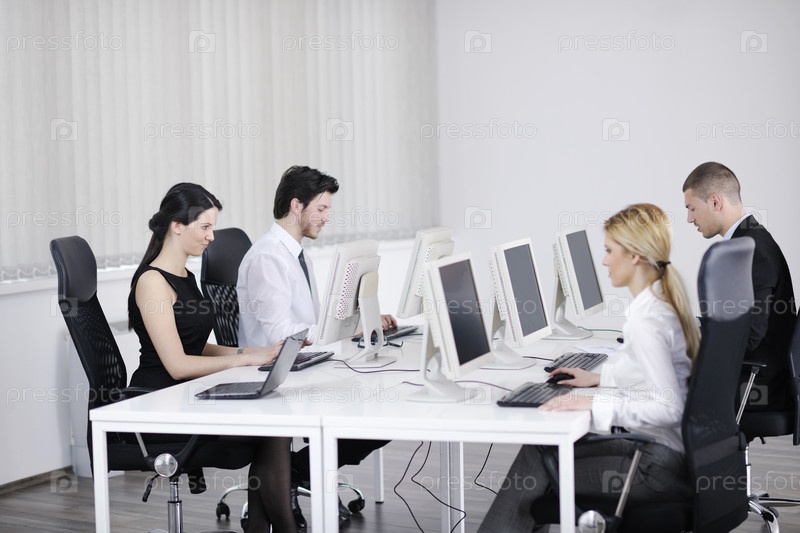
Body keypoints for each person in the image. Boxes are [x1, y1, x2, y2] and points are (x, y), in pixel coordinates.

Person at [478, 203, 698, 532]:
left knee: (541, 466)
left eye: (609, 250)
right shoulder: (660, 301)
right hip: (666, 454)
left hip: (655, 467)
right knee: (541, 449)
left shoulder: (647, 321)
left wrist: (596, 403)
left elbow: (669, 407)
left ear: (634, 255)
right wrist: (600, 379)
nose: (604, 261)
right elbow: (651, 376)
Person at [128, 183, 296, 533]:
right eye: (204, 227)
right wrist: (240, 361)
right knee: (270, 431)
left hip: (188, 397)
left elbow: (195, 345)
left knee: (275, 428)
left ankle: (268, 528)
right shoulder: (153, 282)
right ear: (177, 226)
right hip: (159, 407)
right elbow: (178, 365)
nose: (212, 237)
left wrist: (255, 353)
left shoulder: (185, 276)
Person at [237, 165, 392, 528]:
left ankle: (291, 472)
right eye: (321, 208)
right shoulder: (268, 257)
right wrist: (338, 331)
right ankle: (291, 473)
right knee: (373, 412)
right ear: (296, 205)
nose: (326, 217)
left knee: (382, 413)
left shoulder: (297, 254)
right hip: (276, 375)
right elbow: (282, 335)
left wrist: (354, 325)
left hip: (304, 365)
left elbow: (312, 324)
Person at [683, 161, 795, 412]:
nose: (689, 218)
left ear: (715, 202)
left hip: (756, 386)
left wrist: (686, 340)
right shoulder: (748, 240)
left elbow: (749, 337)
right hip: (750, 375)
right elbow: (735, 324)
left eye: (692, 208)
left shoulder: (754, 251)